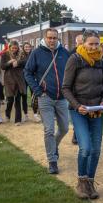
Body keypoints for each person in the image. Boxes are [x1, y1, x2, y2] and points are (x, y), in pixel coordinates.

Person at [62, 30, 103, 199]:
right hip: (79, 109)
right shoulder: (75, 59)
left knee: (96, 149)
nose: (94, 47)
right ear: (83, 43)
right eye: (91, 44)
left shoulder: (101, 60)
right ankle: (81, 182)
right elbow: (65, 88)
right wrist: (77, 105)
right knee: (86, 148)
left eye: (97, 44)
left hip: (97, 109)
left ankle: (90, 182)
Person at [24, 28, 70, 174]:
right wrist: (38, 91)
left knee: (64, 128)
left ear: (58, 38)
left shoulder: (64, 53)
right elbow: (27, 72)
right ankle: (52, 160)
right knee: (49, 130)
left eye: (54, 38)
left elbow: (71, 72)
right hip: (45, 98)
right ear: (45, 38)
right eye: (49, 38)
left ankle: (53, 146)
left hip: (62, 98)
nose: (52, 40)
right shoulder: (36, 53)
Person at [1, 40, 26, 126]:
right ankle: (7, 114)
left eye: (16, 48)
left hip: (19, 79)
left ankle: (17, 120)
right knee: (10, 99)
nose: (14, 50)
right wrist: (9, 62)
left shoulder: (22, 54)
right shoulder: (5, 54)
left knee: (18, 100)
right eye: (12, 48)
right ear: (9, 47)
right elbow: (3, 66)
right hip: (9, 80)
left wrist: (18, 62)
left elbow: (26, 63)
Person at [20, 42, 41, 122]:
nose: (27, 48)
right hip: (23, 78)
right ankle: (25, 114)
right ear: (23, 48)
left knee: (34, 97)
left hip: (32, 79)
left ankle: (35, 114)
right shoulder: (21, 56)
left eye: (28, 47)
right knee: (24, 96)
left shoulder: (34, 55)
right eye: (25, 47)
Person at [69, 34, 84, 145]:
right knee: (77, 110)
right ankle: (76, 136)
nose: (81, 45)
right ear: (76, 43)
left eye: (82, 42)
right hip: (75, 88)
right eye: (79, 43)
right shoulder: (72, 54)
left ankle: (81, 135)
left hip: (87, 87)